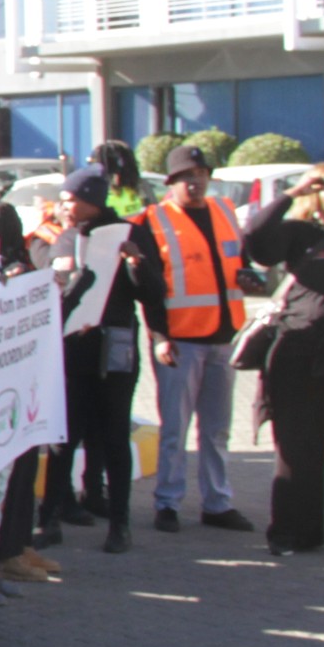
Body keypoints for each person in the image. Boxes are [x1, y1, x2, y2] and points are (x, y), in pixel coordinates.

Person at [130, 143, 255, 534]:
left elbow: (240, 262)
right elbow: (149, 290)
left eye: (200, 175)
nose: (195, 182)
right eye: (186, 177)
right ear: (170, 182)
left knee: (217, 429)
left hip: (223, 337)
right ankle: (168, 502)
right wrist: (159, 336)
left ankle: (217, 503)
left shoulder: (225, 211)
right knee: (175, 429)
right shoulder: (152, 221)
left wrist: (249, 277)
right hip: (180, 342)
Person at [246, 162, 324, 553]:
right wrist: (291, 193)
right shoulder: (297, 233)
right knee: (297, 448)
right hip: (299, 355)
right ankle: (295, 533)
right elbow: (255, 239)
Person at [50, 166, 146, 555]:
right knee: (64, 437)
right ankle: (50, 519)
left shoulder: (130, 234)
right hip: (73, 351)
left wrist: (136, 266)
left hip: (115, 350)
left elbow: (153, 294)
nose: (63, 206)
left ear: (91, 201)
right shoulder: (66, 238)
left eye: (70, 199)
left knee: (114, 437)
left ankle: (120, 525)